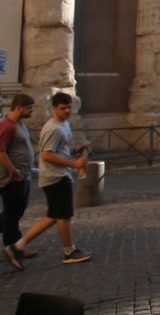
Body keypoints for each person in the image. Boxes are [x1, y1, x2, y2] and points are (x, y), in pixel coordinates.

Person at [4, 92, 93, 269]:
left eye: (69, 107)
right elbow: (46, 155)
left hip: (56, 175)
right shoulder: (54, 128)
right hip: (55, 177)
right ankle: (69, 252)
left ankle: (18, 246)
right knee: (63, 216)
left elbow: (58, 149)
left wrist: (74, 150)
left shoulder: (63, 124)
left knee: (53, 216)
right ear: (54, 109)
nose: (67, 111)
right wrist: (73, 163)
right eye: (62, 108)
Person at [0, 94, 36, 260]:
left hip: (24, 175)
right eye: (29, 108)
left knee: (15, 212)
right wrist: (13, 171)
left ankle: (17, 246)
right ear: (19, 107)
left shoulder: (19, 124)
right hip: (14, 178)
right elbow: (0, 151)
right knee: (11, 214)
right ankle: (12, 248)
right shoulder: (8, 126)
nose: (32, 111)